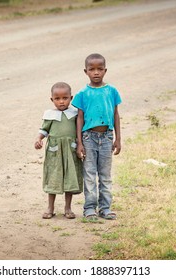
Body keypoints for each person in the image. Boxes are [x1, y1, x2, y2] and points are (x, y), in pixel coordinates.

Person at [72, 53, 122, 220]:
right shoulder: (82, 94)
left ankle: (105, 208)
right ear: (85, 71)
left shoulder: (112, 91)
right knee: (90, 174)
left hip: (107, 137)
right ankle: (90, 208)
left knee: (105, 175)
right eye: (91, 69)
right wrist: (79, 142)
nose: (96, 72)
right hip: (88, 138)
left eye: (99, 69)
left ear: (105, 71)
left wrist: (118, 139)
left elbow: (115, 114)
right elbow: (79, 118)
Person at [35, 82, 83, 219]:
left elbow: (79, 130)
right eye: (57, 99)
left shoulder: (74, 114)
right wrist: (39, 139)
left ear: (71, 98)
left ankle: (68, 208)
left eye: (65, 98)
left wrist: (81, 145)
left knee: (69, 177)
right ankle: (50, 208)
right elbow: (44, 130)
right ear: (52, 100)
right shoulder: (50, 115)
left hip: (70, 151)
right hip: (54, 153)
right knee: (53, 178)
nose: (61, 101)